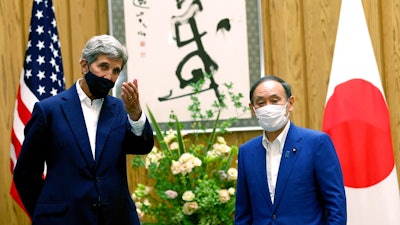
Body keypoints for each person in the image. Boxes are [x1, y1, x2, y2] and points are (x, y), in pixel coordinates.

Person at [13, 34, 154, 225]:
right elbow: (25, 174)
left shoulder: (120, 109)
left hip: (116, 218)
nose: (109, 76)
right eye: (103, 66)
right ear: (85, 65)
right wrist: (46, 212)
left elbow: (142, 146)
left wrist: (136, 114)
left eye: (115, 71)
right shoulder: (49, 111)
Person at [235, 75, 346, 224]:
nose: (268, 107)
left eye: (275, 101)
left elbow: (335, 204)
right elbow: (243, 212)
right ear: (253, 109)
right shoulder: (246, 152)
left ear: (290, 103)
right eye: (261, 103)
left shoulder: (316, 143)